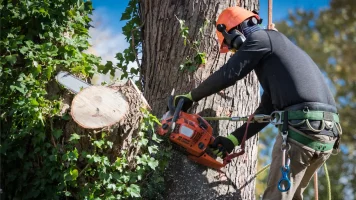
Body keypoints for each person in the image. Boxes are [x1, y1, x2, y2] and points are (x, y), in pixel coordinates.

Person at [173, 6, 342, 200]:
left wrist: (190, 97)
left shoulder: (260, 39)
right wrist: (232, 140)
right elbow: (267, 111)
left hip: (302, 131)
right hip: (326, 135)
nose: (236, 53)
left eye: (233, 47)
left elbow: (230, 74)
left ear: (235, 34)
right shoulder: (278, 56)